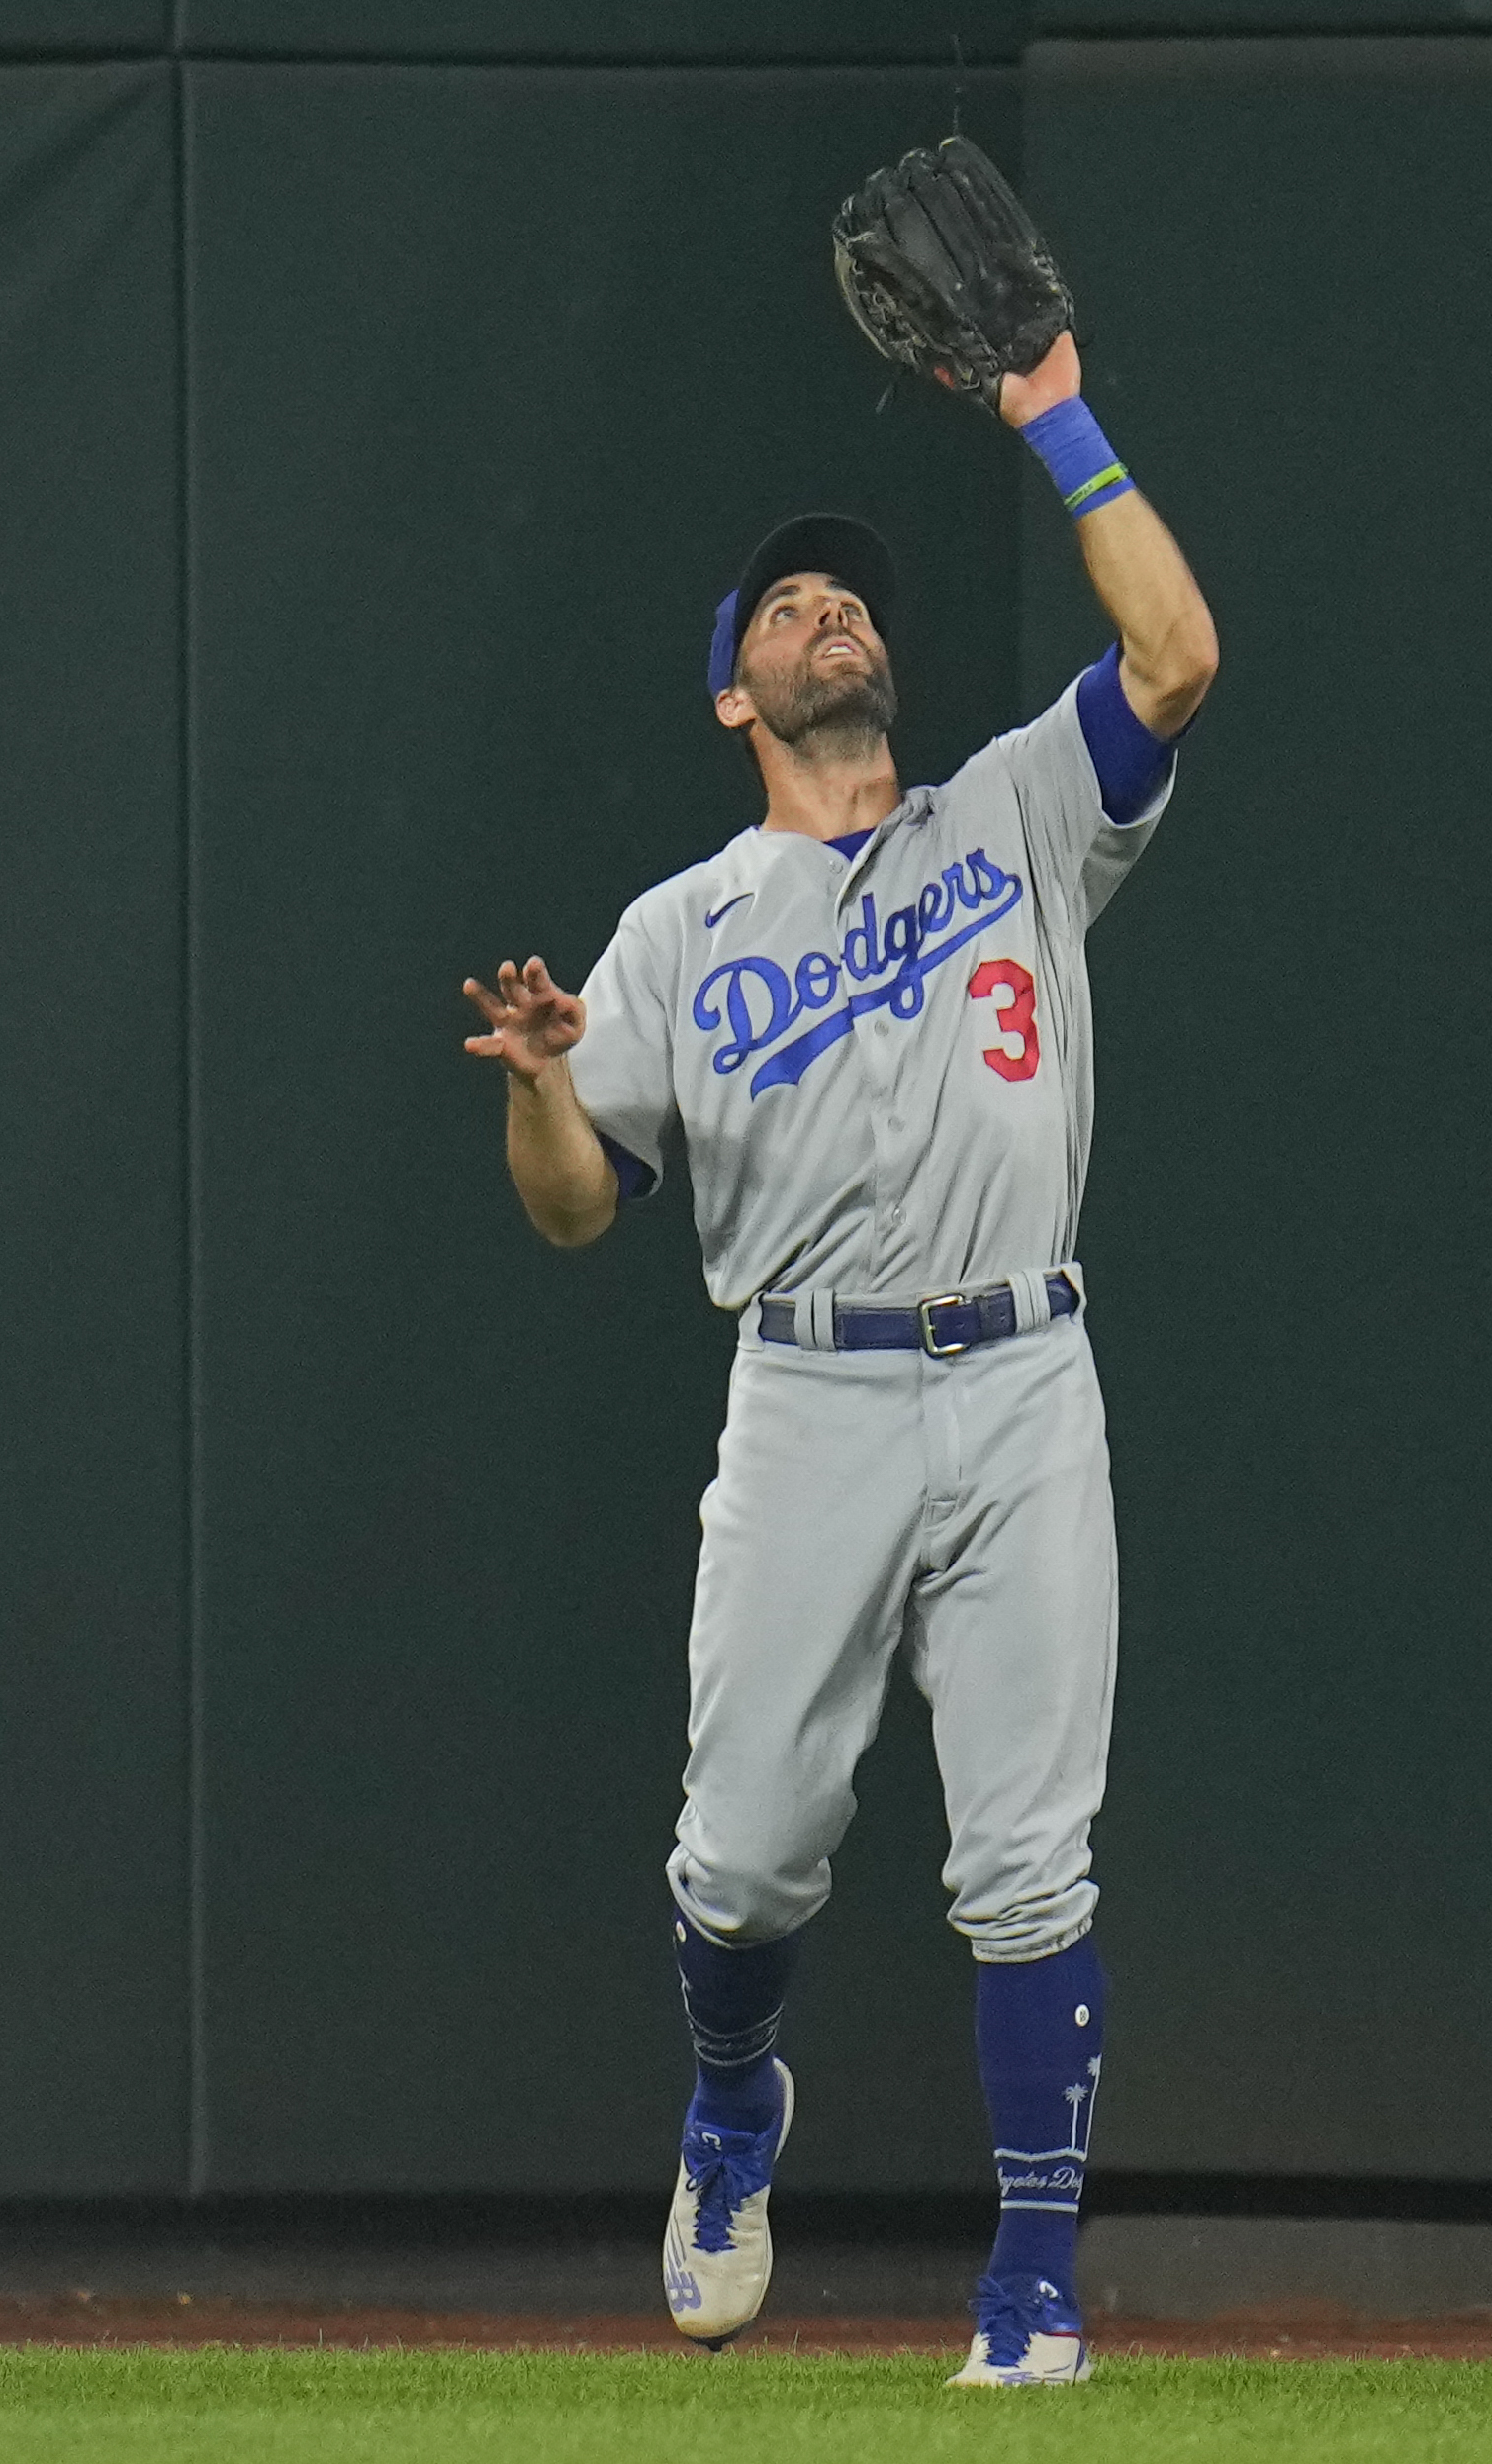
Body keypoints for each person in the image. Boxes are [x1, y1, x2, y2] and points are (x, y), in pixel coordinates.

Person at [456, 329, 1217, 2391]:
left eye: (851, 594)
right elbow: (571, 1203)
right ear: (739, 691)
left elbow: (1174, 653)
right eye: (786, 607)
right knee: (746, 1850)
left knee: (1028, 1853)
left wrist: (1050, 406)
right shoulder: (685, 929)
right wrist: (539, 1086)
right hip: (806, 1398)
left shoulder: (1019, 814)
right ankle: (733, 2094)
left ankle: (1036, 2293)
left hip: (1023, 1372)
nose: (830, 613)